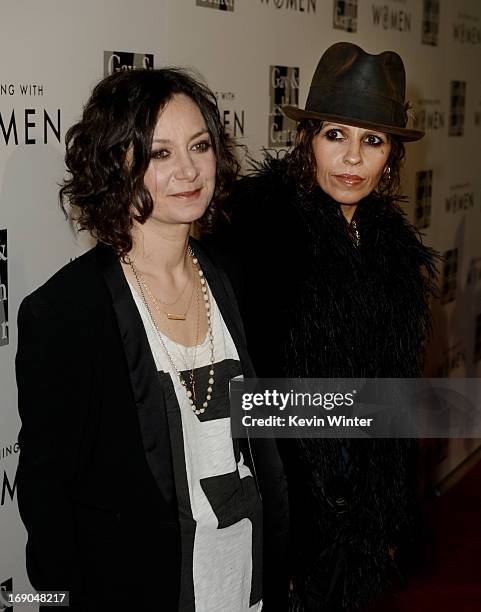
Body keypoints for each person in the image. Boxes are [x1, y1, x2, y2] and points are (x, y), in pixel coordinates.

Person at [15, 68, 287, 611]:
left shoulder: (232, 276)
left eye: (200, 146)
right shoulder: (66, 313)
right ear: (116, 162)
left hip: (245, 579)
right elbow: (46, 502)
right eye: (159, 153)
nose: (188, 170)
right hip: (141, 590)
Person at [216, 42, 438, 611]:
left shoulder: (392, 250)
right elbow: (247, 387)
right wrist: (287, 530)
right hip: (286, 499)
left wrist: (389, 509)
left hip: (361, 506)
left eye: (372, 141)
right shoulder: (263, 231)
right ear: (308, 138)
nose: (352, 159)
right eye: (335, 135)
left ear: (390, 156)